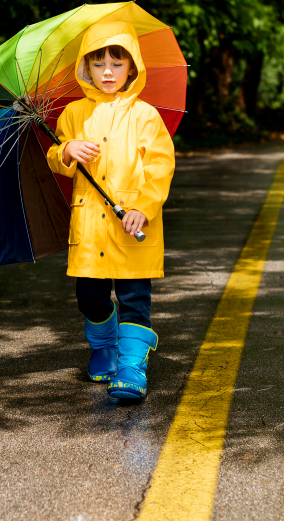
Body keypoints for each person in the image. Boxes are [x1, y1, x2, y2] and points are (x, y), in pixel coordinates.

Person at [46, 20, 176, 400]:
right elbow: (56, 156)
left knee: (135, 297)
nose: (107, 71)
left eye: (117, 64)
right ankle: (104, 347)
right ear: (84, 68)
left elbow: (160, 166)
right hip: (89, 230)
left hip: (132, 227)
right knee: (89, 296)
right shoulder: (73, 114)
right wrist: (66, 151)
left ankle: (132, 367)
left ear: (132, 67)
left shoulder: (145, 116)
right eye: (98, 63)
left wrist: (144, 207)